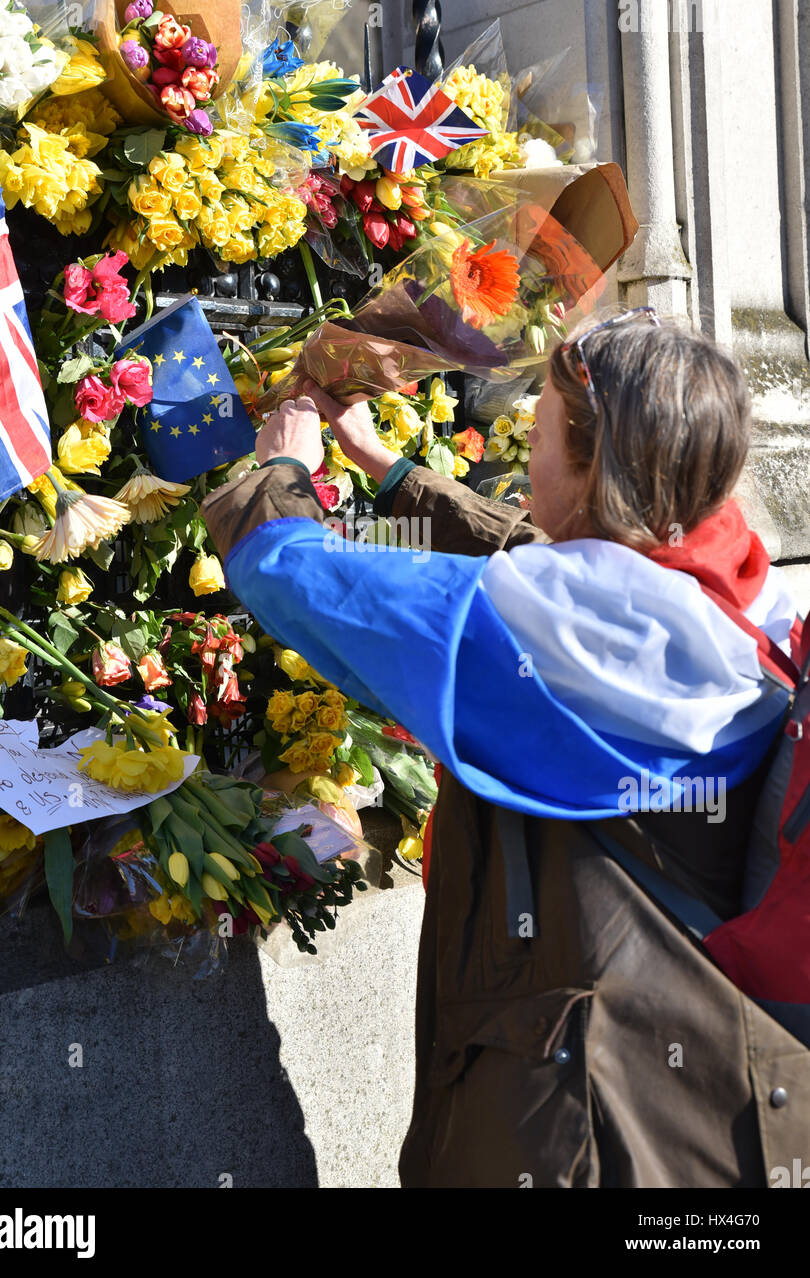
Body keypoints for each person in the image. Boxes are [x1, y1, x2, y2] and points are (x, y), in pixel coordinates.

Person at [201, 309, 809, 1188]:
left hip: (568, 1120)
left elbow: (291, 574)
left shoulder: (547, 637)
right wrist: (389, 469)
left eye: (542, 430)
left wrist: (283, 465)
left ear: (596, 463)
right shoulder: (732, 590)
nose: (528, 455)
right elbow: (555, 565)